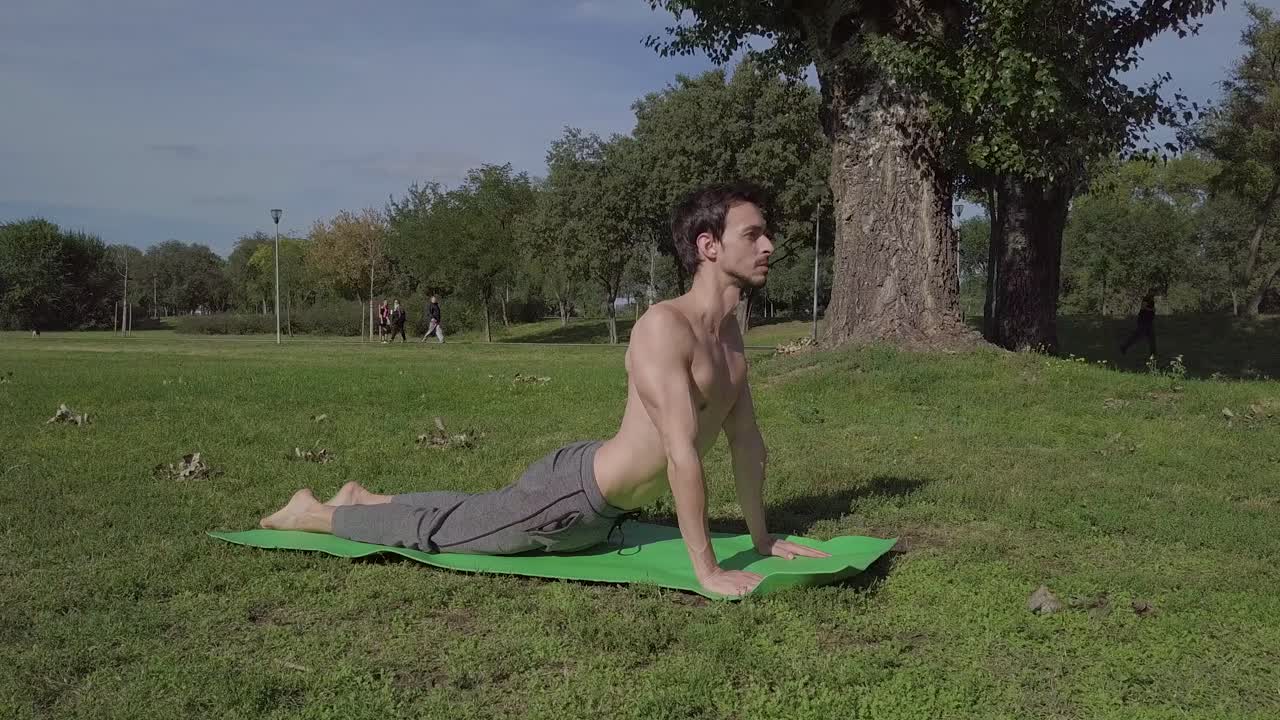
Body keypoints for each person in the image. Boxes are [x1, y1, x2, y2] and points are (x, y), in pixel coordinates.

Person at [260, 183, 829, 598]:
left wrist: (761, 539)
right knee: (444, 533)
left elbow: (747, 444)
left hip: (597, 499)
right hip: (572, 501)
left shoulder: (728, 335)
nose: (769, 245)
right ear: (709, 246)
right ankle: (312, 514)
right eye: (752, 234)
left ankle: (362, 497)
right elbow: (682, 454)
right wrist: (706, 570)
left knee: (475, 511)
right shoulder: (664, 327)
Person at [1120, 292, 1157, 358]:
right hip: (1143, 322)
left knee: (1151, 337)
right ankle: (1124, 347)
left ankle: (1153, 353)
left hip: (1148, 321)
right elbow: (1143, 307)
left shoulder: (1151, 300)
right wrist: (1152, 310)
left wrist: (1152, 312)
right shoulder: (1146, 299)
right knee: (1137, 336)